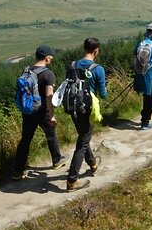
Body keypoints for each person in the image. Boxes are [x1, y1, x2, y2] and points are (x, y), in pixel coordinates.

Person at [12, 45, 68, 180]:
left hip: (28, 110)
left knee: (25, 139)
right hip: (41, 110)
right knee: (50, 134)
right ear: (47, 58)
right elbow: (49, 96)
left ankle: (17, 170)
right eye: (51, 58)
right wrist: (52, 115)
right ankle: (56, 160)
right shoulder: (48, 74)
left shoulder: (26, 70)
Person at [65, 37, 108, 192]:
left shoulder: (72, 65)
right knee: (82, 142)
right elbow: (103, 94)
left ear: (84, 49)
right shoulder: (98, 69)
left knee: (83, 136)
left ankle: (93, 164)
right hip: (87, 109)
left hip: (72, 108)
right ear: (96, 51)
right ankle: (72, 180)